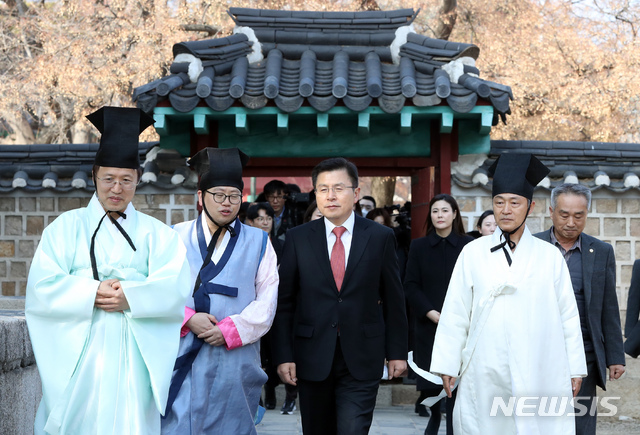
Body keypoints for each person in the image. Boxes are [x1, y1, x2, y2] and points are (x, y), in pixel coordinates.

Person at [26, 106, 191, 435]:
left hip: (135, 350)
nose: (117, 188)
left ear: (138, 180)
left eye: (126, 180)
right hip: (81, 350)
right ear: (94, 177)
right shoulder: (64, 228)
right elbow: (42, 285)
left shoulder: (159, 234)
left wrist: (131, 297)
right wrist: (89, 292)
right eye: (109, 179)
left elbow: (175, 286)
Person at [430, 153, 587, 435]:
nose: (505, 210)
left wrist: (575, 368)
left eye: (514, 203)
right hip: (484, 365)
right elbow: (456, 311)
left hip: (538, 362)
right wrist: (447, 363)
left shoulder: (549, 257)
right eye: (499, 202)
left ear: (530, 206)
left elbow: (567, 316)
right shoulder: (473, 253)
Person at [272, 157, 408, 435]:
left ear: (356, 193)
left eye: (338, 188)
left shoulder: (380, 236)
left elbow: (394, 299)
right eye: (322, 189)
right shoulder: (298, 238)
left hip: (362, 354)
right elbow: (284, 302)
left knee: (352, 428)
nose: (330, 196)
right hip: (311, 354)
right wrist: (283, 355)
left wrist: (397, 352)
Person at [162, 148, 279, 434]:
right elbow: (157, 290)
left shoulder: (259, 241)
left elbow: (267, 299)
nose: (227, 203)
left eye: (234, 196)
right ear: (201, 197)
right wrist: (187, 318)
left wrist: (231, 329)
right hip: (183, 353)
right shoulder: (174, 237)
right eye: (218, 195)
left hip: (235, 359)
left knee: (233, 424)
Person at [534, 183, 625, 435]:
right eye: (564, 215)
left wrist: (615, 355)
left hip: (585, 353)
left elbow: (608, 305)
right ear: (551, 211)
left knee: (581, 422)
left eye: (579, 215)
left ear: (587, 213)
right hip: (538, 350)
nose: (571, 222)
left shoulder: (601, 251)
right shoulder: (532, 247)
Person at [405, 194, 473, 435]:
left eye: (445, 210)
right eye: (435, 211)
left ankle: (455, 427)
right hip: (429, 325)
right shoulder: (419, 246)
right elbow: (410, 285)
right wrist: (431, 313)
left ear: (454, 214)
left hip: (463, 326)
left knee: (460, 382)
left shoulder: (469, 246)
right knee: (432, 383)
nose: (440, 215)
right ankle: (433, 419)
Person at [245, 202, 297, 414]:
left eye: (268, 218)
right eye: (260, 218)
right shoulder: (244, 245)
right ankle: (265, 394)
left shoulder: (283, 244)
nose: (265, 222)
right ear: (249, 222)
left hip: (279, 306)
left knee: (279, 349)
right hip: (250, 308)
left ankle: (288, 396)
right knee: (259, 354)